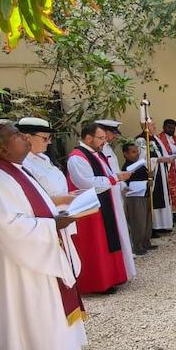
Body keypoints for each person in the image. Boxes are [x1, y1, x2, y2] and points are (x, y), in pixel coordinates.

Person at [0, 120, 86, 350]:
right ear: (1, 148)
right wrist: (54, 226)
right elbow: (10, 227)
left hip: (39, 257)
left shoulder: (16, 172)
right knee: (32, 318)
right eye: (17, 135)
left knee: (48, 315)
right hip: (21, 269)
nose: (25, 139)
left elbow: (39, 206)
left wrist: (58, 217)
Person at [67, 121, 134, 294]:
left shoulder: (97, 154)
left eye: (105, 138)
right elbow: (87, 183)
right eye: (101, 138)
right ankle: (100, 282)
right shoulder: (77, 157)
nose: (104, 141)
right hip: (92, 209)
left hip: (107, 203)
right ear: (88, 138)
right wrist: (115, 179)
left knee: (110, 240)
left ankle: (115, 276)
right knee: (97, 244)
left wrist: (116, 178)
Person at [18, 117, 79, 266]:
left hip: (61, 216)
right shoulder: (23, 164)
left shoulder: (43, 158)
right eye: (45, 138)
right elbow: (33, 200)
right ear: (27, 137)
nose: (49, 142)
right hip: (47, 223)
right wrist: (65, 199)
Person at [136, 120, 176, 234]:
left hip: (161, 171)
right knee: (155, 198)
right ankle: (154, 226)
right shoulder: (141, 140)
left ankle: (164, 224)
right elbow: (142, 159)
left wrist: (169, 158)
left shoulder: (155, 138)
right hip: (153, 172)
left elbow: (163, 153)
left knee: (163, 196)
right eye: (152, 125)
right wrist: (158, 160)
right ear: (145, 127)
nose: (155, 127)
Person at [122, 142, 155, 256]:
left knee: (147, 219)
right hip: (135, 196)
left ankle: (146, 241)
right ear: (125, 154)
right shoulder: (127, 167)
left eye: (137, 151)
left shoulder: (140, 165)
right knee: (138, 221)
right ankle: (138, 245)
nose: (136, 154)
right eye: (133, 152)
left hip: (145, 193)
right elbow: (127, 183)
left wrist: (150, 175)